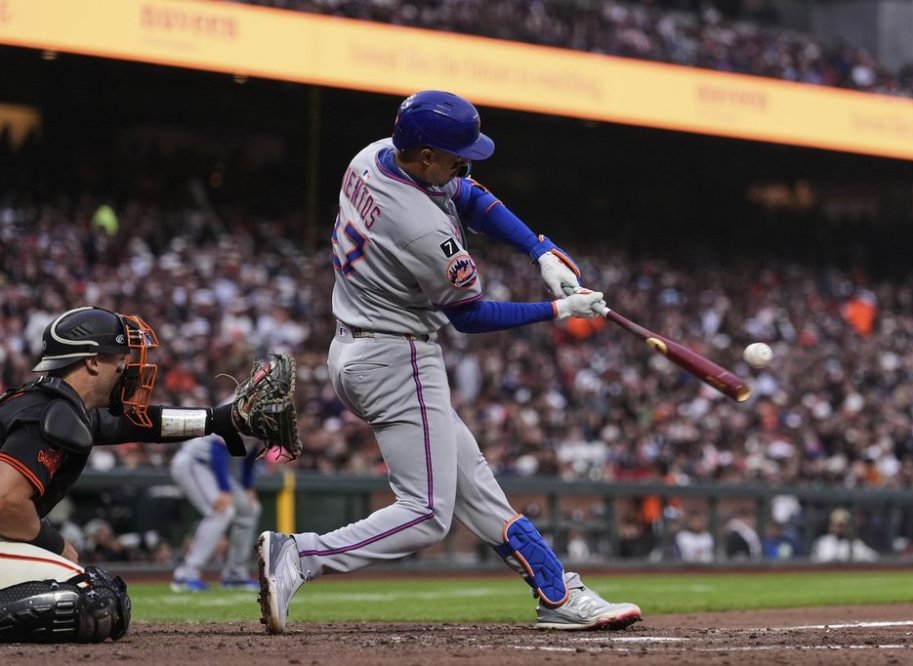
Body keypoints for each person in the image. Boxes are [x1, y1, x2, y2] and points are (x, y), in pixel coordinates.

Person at [257, 90, 640, 633]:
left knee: (476, 487)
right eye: (455, 155)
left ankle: (558, 594)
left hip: (358, 346)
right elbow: (470, 316)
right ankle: (301, 555)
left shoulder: (372, 156)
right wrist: (560, 308)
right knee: (426, 515)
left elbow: (471, 197)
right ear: (427, 155)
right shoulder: (421, 228)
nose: (466, 163)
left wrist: (540, 251)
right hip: (398, 356)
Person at [0, 306, 258, 643]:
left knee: (94, 592)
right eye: (120, 356)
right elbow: (6, 501)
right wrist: (58, 546)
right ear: (92, 361)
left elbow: (142, 423)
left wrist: (217, 420)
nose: (127, 366)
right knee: (93, 599)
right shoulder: (51, 413)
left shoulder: (53, 403)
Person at [170, 434, 262, 592]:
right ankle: (186, 575)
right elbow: (217, 449)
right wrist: (225, 490)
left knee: (250, 509)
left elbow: (252, 452)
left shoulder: (270, 416)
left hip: (218, 469)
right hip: (195, 462)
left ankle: (235, 575)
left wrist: (247, 485)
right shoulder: (238, 410)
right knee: (222, 512)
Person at [810, 508, 879, 562]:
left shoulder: (855, 543)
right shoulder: (823, 542)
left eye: (842, 526)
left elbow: (874, 558)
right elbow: (814, 561)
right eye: (836, 525)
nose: (839, 529)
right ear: (830, 526)